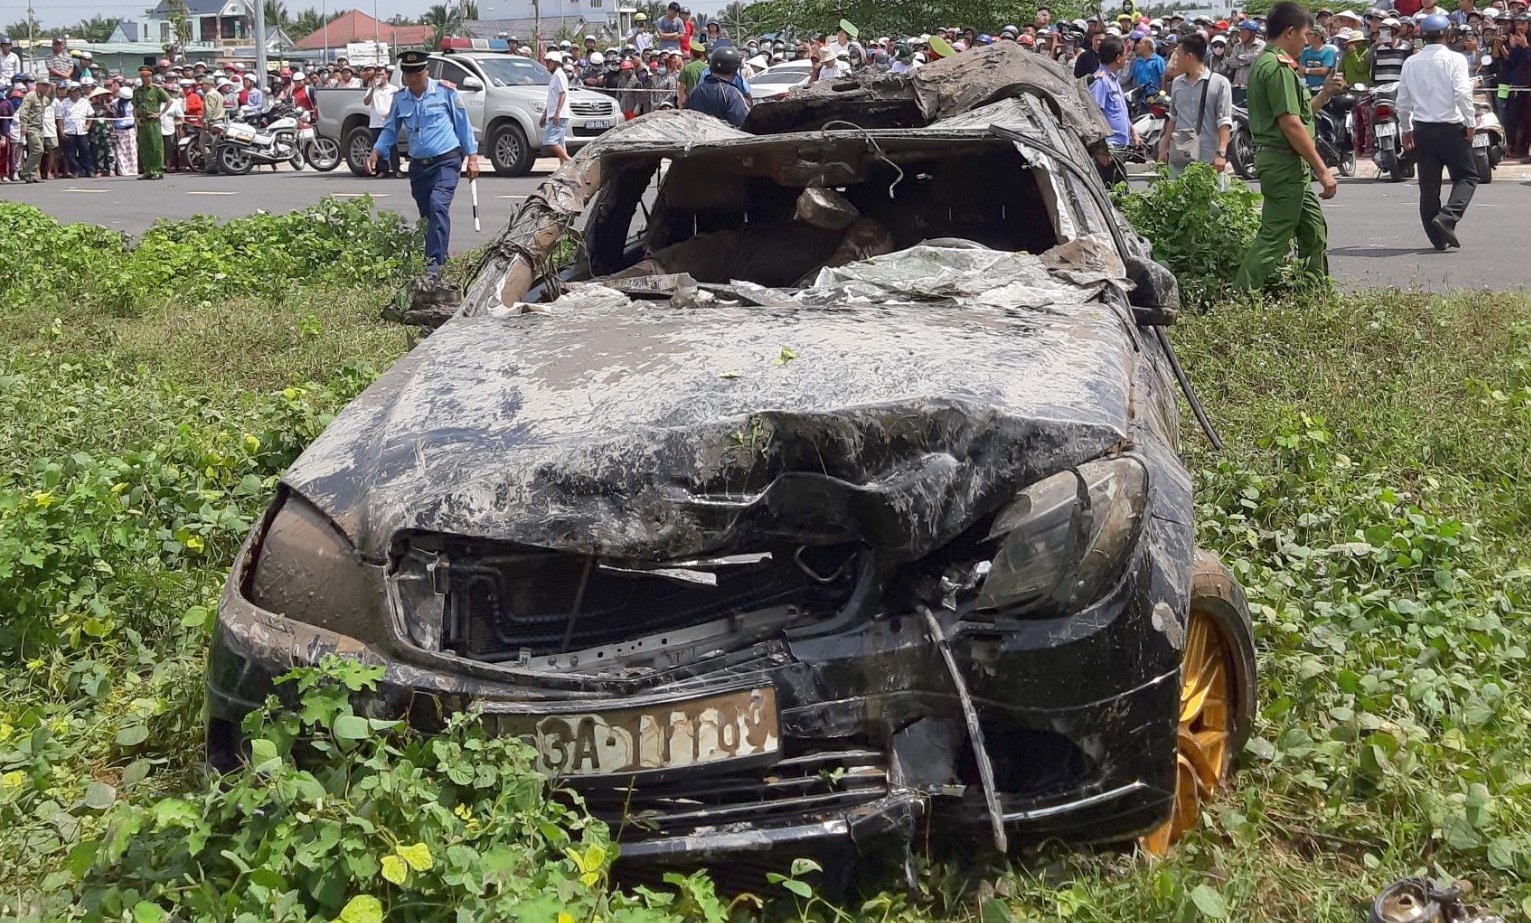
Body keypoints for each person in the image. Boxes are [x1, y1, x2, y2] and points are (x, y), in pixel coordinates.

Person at [1235, 2, 1344, 290]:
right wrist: (1323, 170)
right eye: (1306, 34)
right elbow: (1291, 124)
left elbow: (1301, 110)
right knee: (1274, 238)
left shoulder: (1269, 64)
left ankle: (1315, 296)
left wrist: (1326, 92)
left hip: (1287, 164)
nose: (1307, 41)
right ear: (1290, 32)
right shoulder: (1278, 67)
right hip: (1284, 162)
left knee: (1313, 230)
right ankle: (1240, 300)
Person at [368, 50, 479, 278]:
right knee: (428, 214)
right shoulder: (400, 99)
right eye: (408, 74)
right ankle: (441, 257)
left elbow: (463, 125)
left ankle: (434, 265)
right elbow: (390, 129)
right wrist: (376, 151)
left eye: (418, 73)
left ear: (426, 71)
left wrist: (473, 157)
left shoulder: (445, 91)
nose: (413, 78)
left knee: (438, 204)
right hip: (419, 166)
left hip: (446, 161)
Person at [1399, 14, 1478, 248]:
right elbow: (1462, 93)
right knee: (1467, 176)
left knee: (1429, 186)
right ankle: (1447, 218)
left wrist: (1405, 128)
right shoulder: (1456, 60)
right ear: (1449, 34)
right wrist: (1471, 122)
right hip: (1451, 128)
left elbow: (1403, 101)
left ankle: (1437, 239)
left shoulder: (1411, 62)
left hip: (1422, 129)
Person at [1158, 33, 1234, 173]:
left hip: (1208, 157)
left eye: (1178, 55)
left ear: (1189, 57)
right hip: (1181, 156)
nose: (1175, 60)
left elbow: (1224, 121)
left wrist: (1221, 153)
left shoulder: (1219, 83)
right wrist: (1163, 149)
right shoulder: (1177, 83)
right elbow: (1173, 119)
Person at [685, 45, 750, 126]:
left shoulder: (694, 91)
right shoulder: (732, 94)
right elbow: (744, 124)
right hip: (724, 137)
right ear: (734, 70)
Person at [1090, 35, 1133, 148]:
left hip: (1121, 145)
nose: (1126, 58)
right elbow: (1094, 116)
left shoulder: (1113, 79)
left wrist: (1133, 132)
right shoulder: (1101, 82)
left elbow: (1119, 112)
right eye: (1124, 55)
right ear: (1118, 58)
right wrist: (1101, 149)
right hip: (1110, 147)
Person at [133, 66, 170, 180]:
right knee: (144, 147)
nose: (145, 78)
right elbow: (135, 105)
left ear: (151, 76)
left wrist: (160, 113)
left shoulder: (156, 89)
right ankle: (148, 170)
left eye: (147, 76)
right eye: (142, 76)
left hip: (153, 122)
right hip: (142, 121)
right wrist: (136, 118)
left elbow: (169, 100)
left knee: (156, 146)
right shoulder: (137, 91)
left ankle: (158, 170)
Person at [536, 50, 572, 165]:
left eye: (548, 62)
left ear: (555, 62)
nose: (547, 65)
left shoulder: (559, 75)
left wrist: (557, 113)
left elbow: (563, 93)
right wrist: (545, 115)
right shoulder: (555, 76)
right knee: (560, 143)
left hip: (559, 115)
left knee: (549, 140)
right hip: (553, 114)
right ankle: (564, 169)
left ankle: (570, 162)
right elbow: (552, 99)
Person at [363, 67, 398, 178]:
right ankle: (383, 170)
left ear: (386, 75)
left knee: (392, 147)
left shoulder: (393, 89)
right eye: (377, 75)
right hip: (375, 123)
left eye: (381, 75)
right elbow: (366, 102)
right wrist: (373, 89)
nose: (379, 77)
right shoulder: (372, 89)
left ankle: (396, 169)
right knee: (378, 147)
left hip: (389, 122)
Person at [16, 76, 50, 183]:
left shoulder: (45, 98)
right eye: (43, 86)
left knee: (38, 152)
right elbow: (23, 111)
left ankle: (32, 174)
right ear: (37, 86)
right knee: (38, 149)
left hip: (40, 127)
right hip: (31, 127)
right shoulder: (30, 96)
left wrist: (52, 91)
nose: (46, 88)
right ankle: (25, 172)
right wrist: (23, 125)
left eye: (47, 86)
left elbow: (50, 101)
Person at [1230, 19, 1267, 103]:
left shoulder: (1261, 44)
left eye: (1244, 31)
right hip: (1237, 87)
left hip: (1253, 88)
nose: (1241, 34)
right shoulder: (1237, 46)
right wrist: (1246, 61)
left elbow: (1255, 58)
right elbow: (1231, 63)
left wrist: (1240, 58)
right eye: (1240, 31)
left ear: (1252, 33)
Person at [1300, 25, 1338, 89]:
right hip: (1308, 88)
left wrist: (1306, 70)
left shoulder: (1329, 51)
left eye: (1310, 34)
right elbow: (1301, 70)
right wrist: (1303, 84)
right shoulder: (1305, 51)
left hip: (1324, 88)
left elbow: (1324, 71)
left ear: (1318, 36)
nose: (1307, 36)